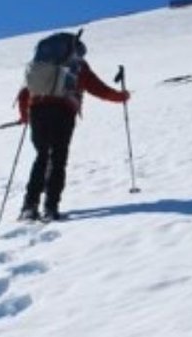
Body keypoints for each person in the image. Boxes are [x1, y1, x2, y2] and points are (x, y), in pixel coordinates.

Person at [14, 33, 129, 222]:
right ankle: (50, 207)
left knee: (42, 157)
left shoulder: (41, 63)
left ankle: (29, 206)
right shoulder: (77, 66)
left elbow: (25, 92)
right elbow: (97, 88)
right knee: (58, 159)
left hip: (38, 111)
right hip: (63, 112)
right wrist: (120, 97)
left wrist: (25, 116)